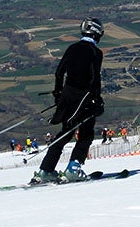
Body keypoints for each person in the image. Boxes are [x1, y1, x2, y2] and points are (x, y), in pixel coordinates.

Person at [30, 17, 106, 185]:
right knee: (86, 133)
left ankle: (46, 170)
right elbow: (95, 79)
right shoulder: (96, 53)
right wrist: (97, 100)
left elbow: (59, 73)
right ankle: (73, 168)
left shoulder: (72, 48)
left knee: (65, 132)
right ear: (96, 34)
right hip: (84, 97)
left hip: (67, 94)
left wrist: (58, 94)